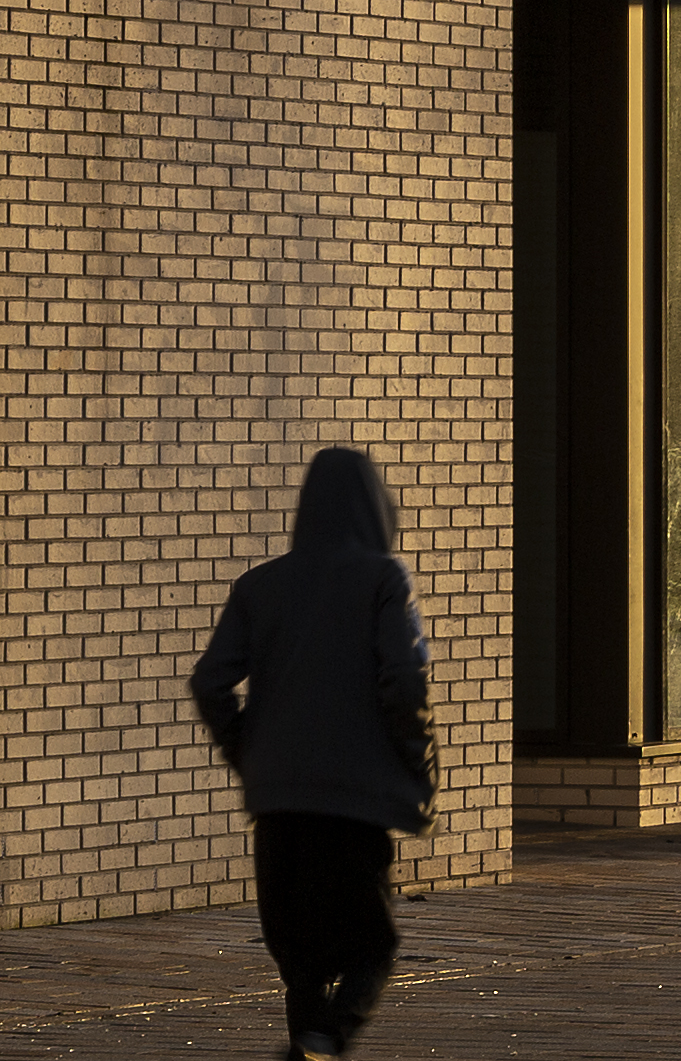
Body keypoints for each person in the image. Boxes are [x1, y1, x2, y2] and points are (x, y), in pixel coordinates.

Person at [191, 447, 432, 1058]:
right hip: (352, 801)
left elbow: (210, 682)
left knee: (298, 958)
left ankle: (309, 1044)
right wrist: (415, 765)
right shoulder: (383, 579)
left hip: (278, 800)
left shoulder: (259, 586)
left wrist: (250, 753)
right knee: (371, 948)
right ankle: (327, 1036)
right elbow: (404, 683)